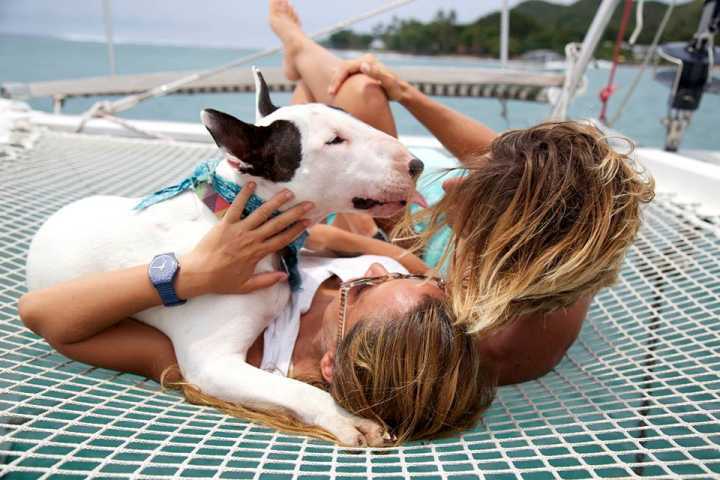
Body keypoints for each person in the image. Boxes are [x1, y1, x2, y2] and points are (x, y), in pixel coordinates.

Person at [268, 0, 655, 383]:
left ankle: (297, 53)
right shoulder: (566, 234)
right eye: (477, 174)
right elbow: (519, 163)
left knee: (351, 95)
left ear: (504, 245)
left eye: (477, 190)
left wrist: (361, 237)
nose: (455, 181)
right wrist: (405, 93)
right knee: (364, 88)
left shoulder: (480, 341)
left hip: (406, 229)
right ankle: (297, 56)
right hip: (432, 216)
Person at [18, 184, 493, 445]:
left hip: (86, 235)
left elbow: (41, 313)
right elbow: (343, 247)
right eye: (399, 278)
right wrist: (392, 260)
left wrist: (192, 276)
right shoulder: (393, 286)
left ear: (331, 364)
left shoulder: (243, 357)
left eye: (364, 286)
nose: (375, 269)